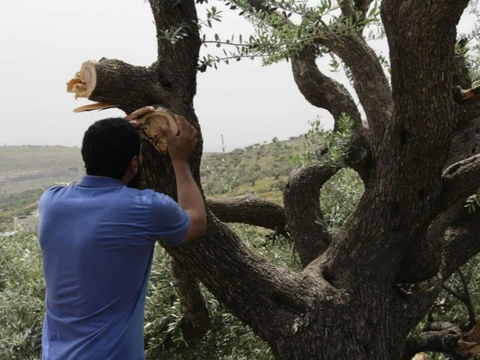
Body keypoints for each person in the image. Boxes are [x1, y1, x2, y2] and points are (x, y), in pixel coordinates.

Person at [37, 106, 207, 360]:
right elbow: (196, 220)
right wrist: (180, 161)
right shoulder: (144, 207)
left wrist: (116, 132)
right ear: (134, 163)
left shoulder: (50, 202)